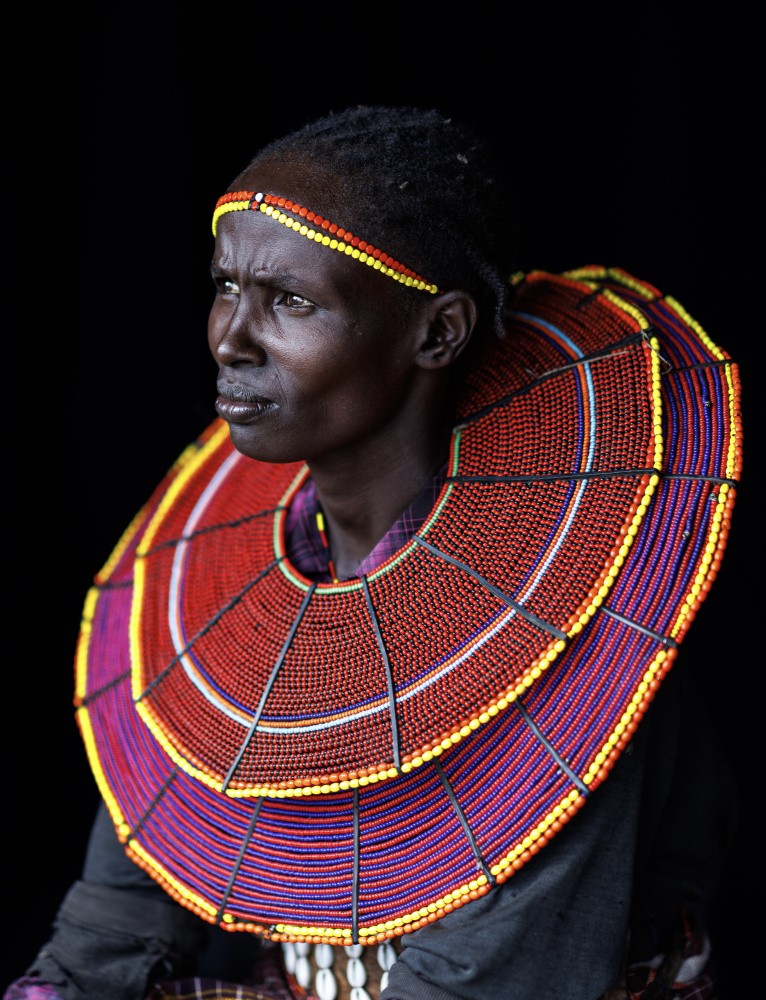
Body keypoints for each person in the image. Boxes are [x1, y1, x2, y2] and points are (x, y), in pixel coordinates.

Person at [5, 105, 742, 1000]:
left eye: (289, 301)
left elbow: (487, 984)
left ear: (437, 333)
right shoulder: (226, 604)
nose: (229, 338)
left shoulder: (570, 626)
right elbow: (106, 940)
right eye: (226, 287)